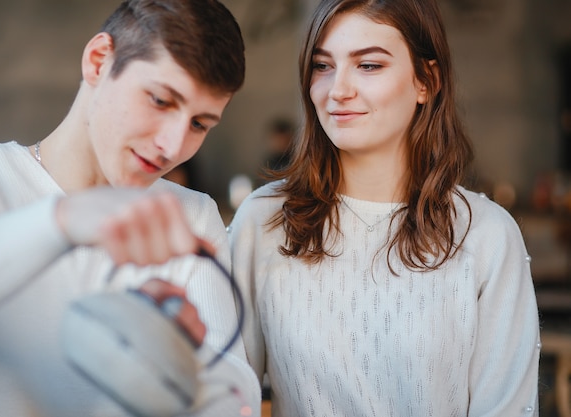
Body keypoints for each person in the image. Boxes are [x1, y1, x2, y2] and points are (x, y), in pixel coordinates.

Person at [0, 0, 261, 416]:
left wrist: (183, 357)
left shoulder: (191, 216)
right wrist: (59, 221)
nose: (173, 146)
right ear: (98, 62)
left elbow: (237, 402)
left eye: (200, 124)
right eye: (161, 100)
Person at [228, 0, 541, 416]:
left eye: (369, 66)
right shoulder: (264, 221)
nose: (337, 89)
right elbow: (223, 394)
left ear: (426, 80)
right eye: (322, 66)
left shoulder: (485, 235)